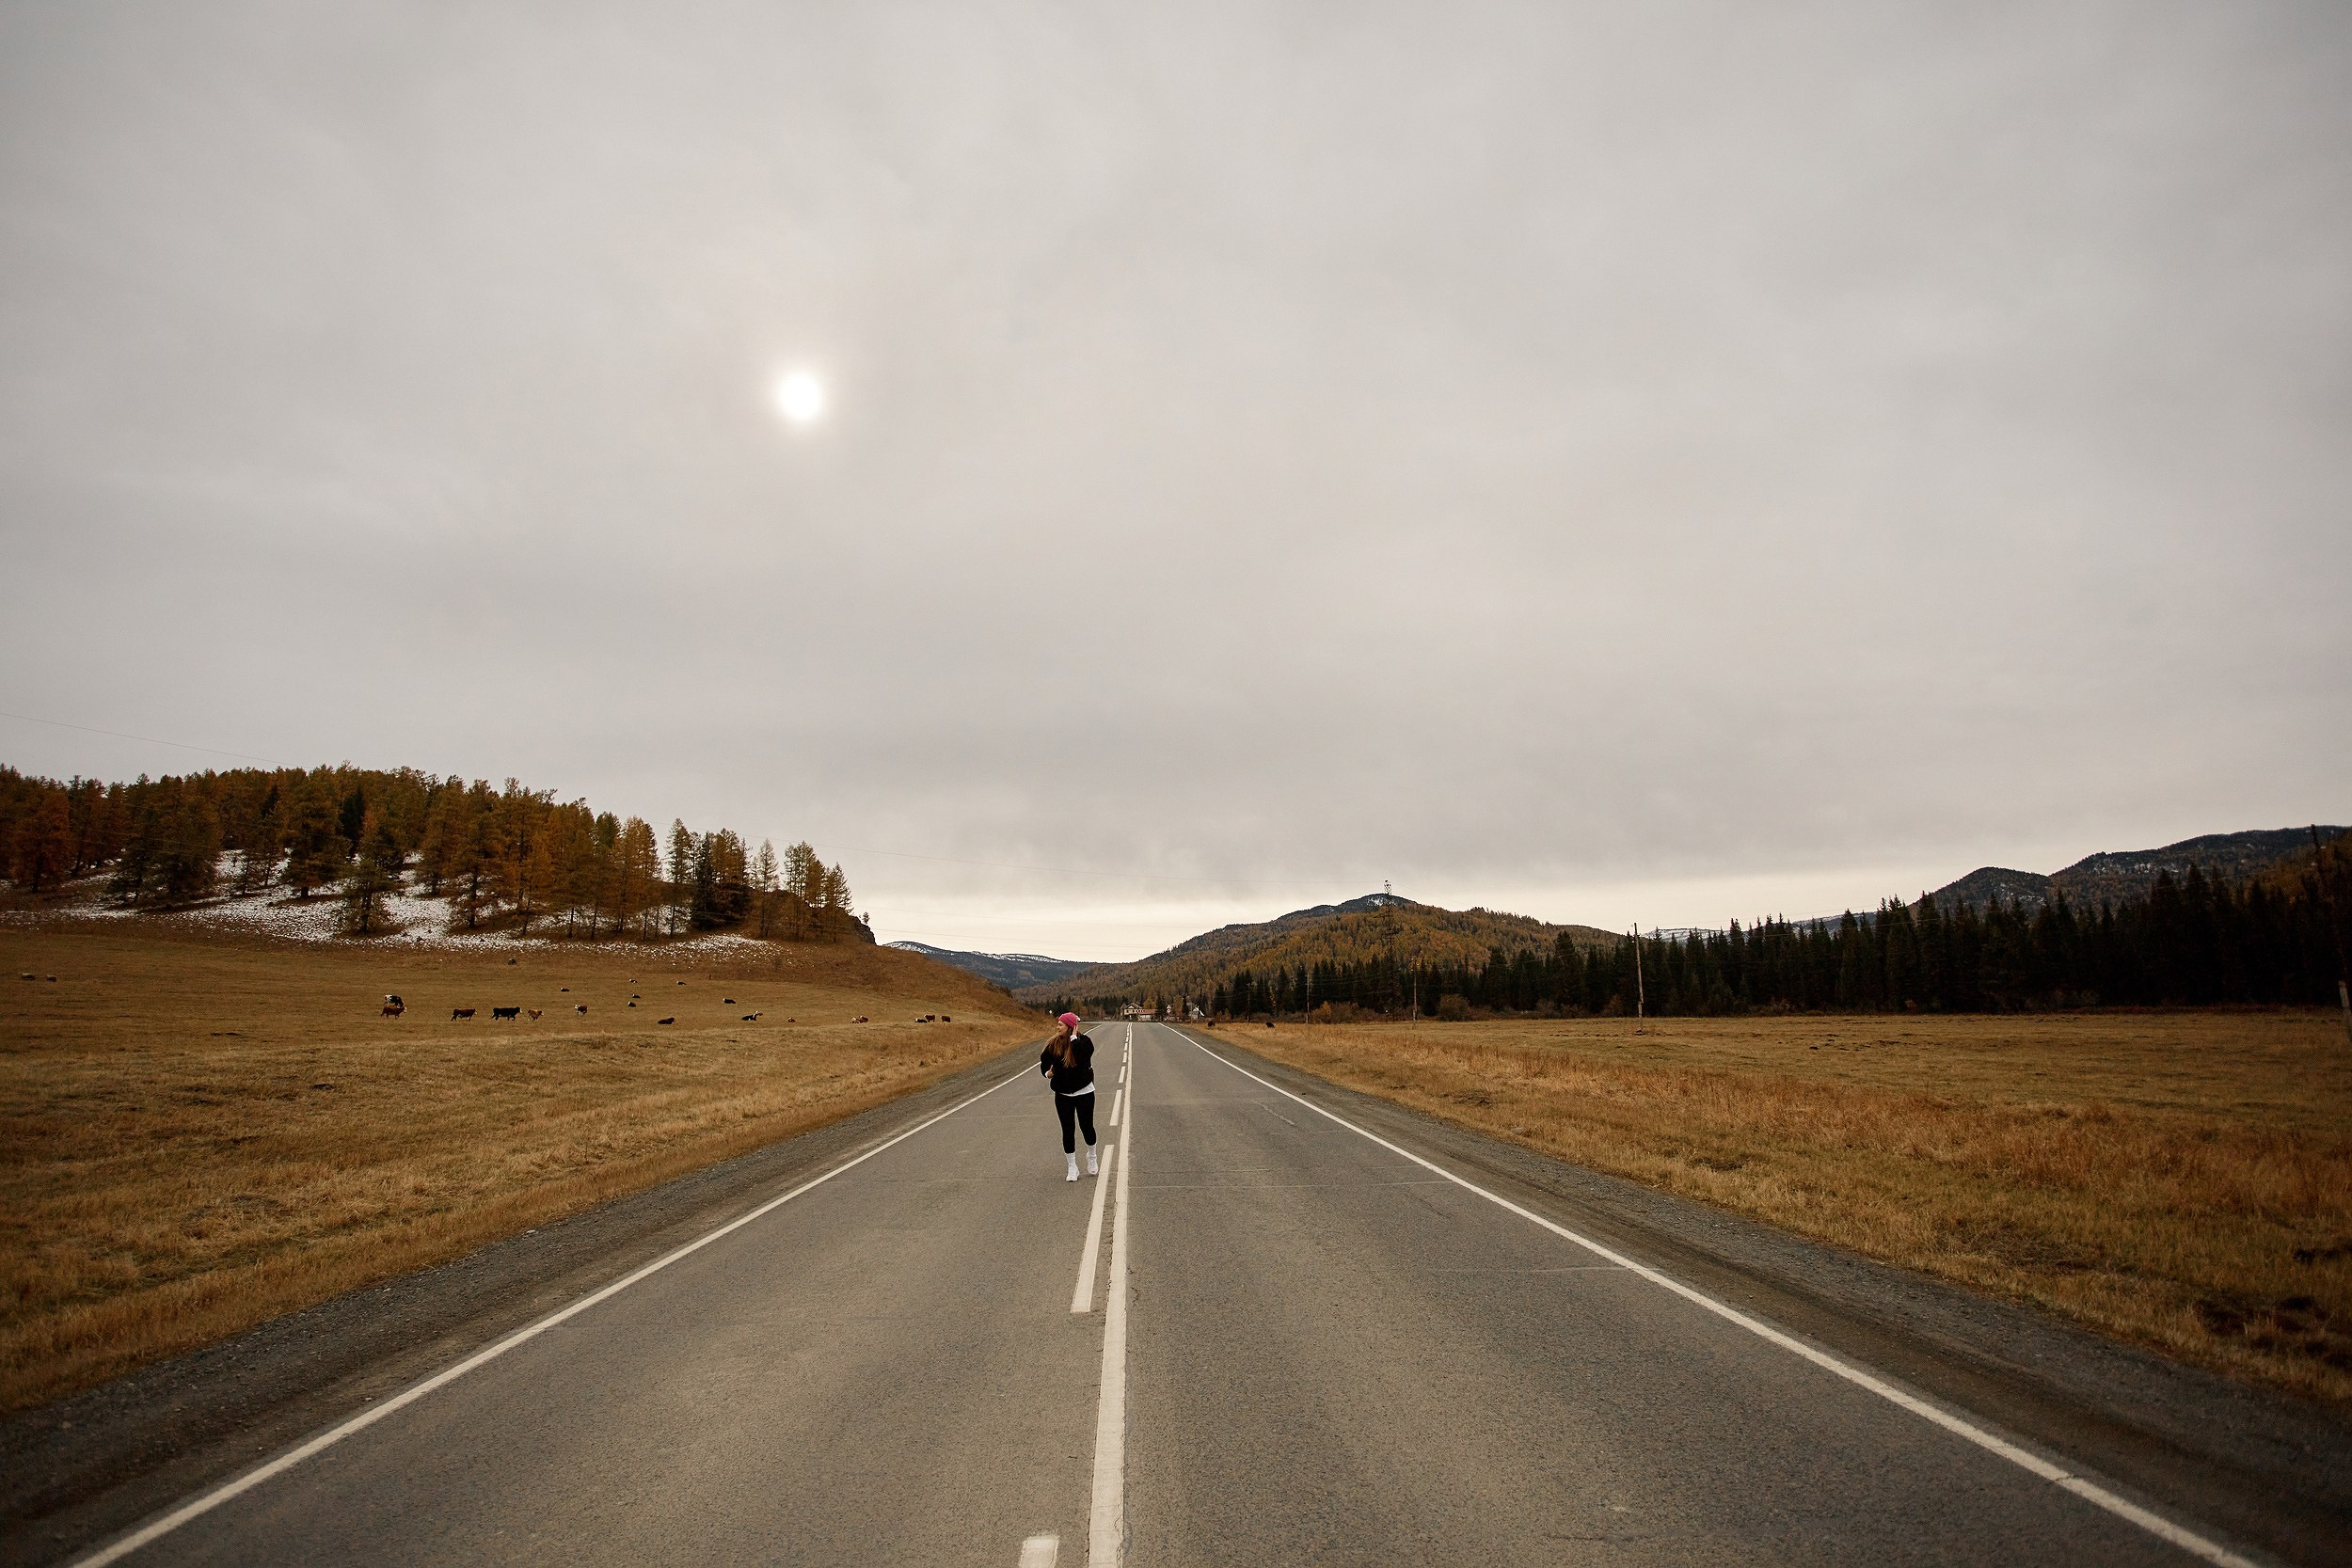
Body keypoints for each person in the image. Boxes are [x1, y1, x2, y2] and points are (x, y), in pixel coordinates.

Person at [1040, 1012, 1099, 1181]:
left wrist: (1074, 1039)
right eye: (1058, 1024)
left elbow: (1083, 1056)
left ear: (1071, 1027)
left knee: (1087, 1127)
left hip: (1084, 1091)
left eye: (1061, 1025)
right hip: (1063, 1094)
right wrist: (1047, 1073)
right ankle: (1072, 1167)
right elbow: (1044, 1062)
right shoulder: (1052, 1045)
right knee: (1067, 1129)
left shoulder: (1084, 1042)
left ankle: (1092, 1156)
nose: (1057, 1027)